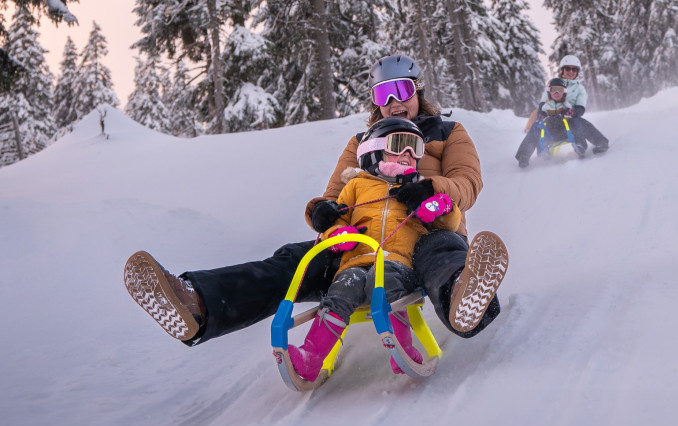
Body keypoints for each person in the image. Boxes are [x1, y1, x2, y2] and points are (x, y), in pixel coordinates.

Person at [123, 54, 506, 351]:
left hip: (425, 226)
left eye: (402, 91)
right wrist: (321, 213)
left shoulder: (447, 131)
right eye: (382, 94)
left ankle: (463, 295)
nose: (393, 102)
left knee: (442, 253)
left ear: (418, 92)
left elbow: (469, 182)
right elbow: (331, 197)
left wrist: (432, 187)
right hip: (363, 240)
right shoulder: (361, 142)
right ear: (374, 101)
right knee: (294, 259)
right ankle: (198, 303)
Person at [288, 117, 461, 381]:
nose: (409, 154)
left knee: (386, 283)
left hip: (399, 262)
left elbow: (450, 222)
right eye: (400, 144)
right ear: (375, 149)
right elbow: (337, 220)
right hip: (355, 262)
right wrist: (337, 234)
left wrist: (439, 206)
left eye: (415, 148)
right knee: (340, 291)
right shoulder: (356, 186)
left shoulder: (417, 188)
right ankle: (311, 357)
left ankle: (401, 351)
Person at [515, 54, 609, 168]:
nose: (571, 71)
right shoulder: (553, 84)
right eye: (567, 68)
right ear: (562, 70)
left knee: (580, 122)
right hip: (550, 125)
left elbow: (580, 107)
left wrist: (573, 112)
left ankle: (596, 143)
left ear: (577, 71)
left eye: (574, 69)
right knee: (536, 126)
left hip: (568, 125)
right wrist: (541, 113)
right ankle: (524, 156)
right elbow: (543, 102)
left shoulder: (579, 89)